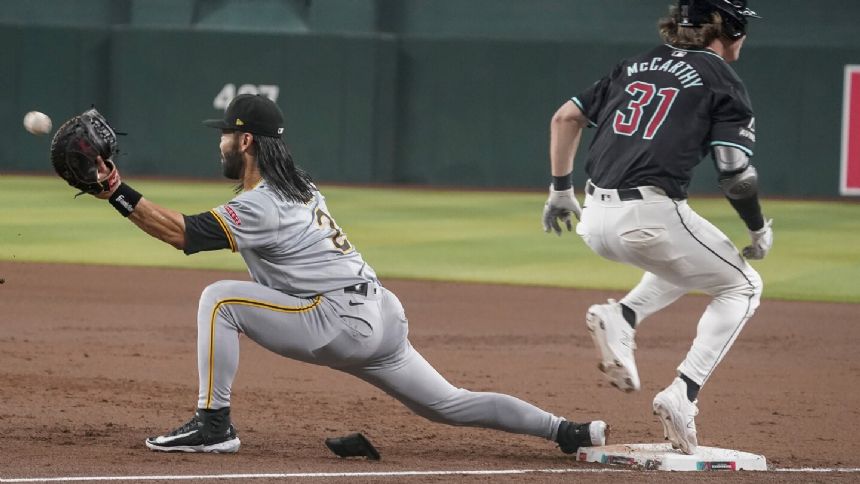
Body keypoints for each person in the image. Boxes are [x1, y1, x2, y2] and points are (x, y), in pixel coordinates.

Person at [85, 94, 606, 454]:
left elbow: (181, 233)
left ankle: (213, 425)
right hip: (380, 312)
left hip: (338, 319)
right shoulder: (299, 186)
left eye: (225, 134)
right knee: (447, 403)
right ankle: (565, 431)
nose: (218, 142)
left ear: (245, 142)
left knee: (220, 300)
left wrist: (115, 191)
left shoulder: (266, 203)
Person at [541, 0, 771, 455]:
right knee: (743, 286)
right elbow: (735, 174)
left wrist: (560, 190)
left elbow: (565, 117)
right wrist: (757, 227)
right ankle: (683, 394)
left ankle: (622, 315)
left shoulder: (634, 64)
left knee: (688, 260)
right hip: (650, 216)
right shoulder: (722, 78)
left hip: (594, 216)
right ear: (733, 30)